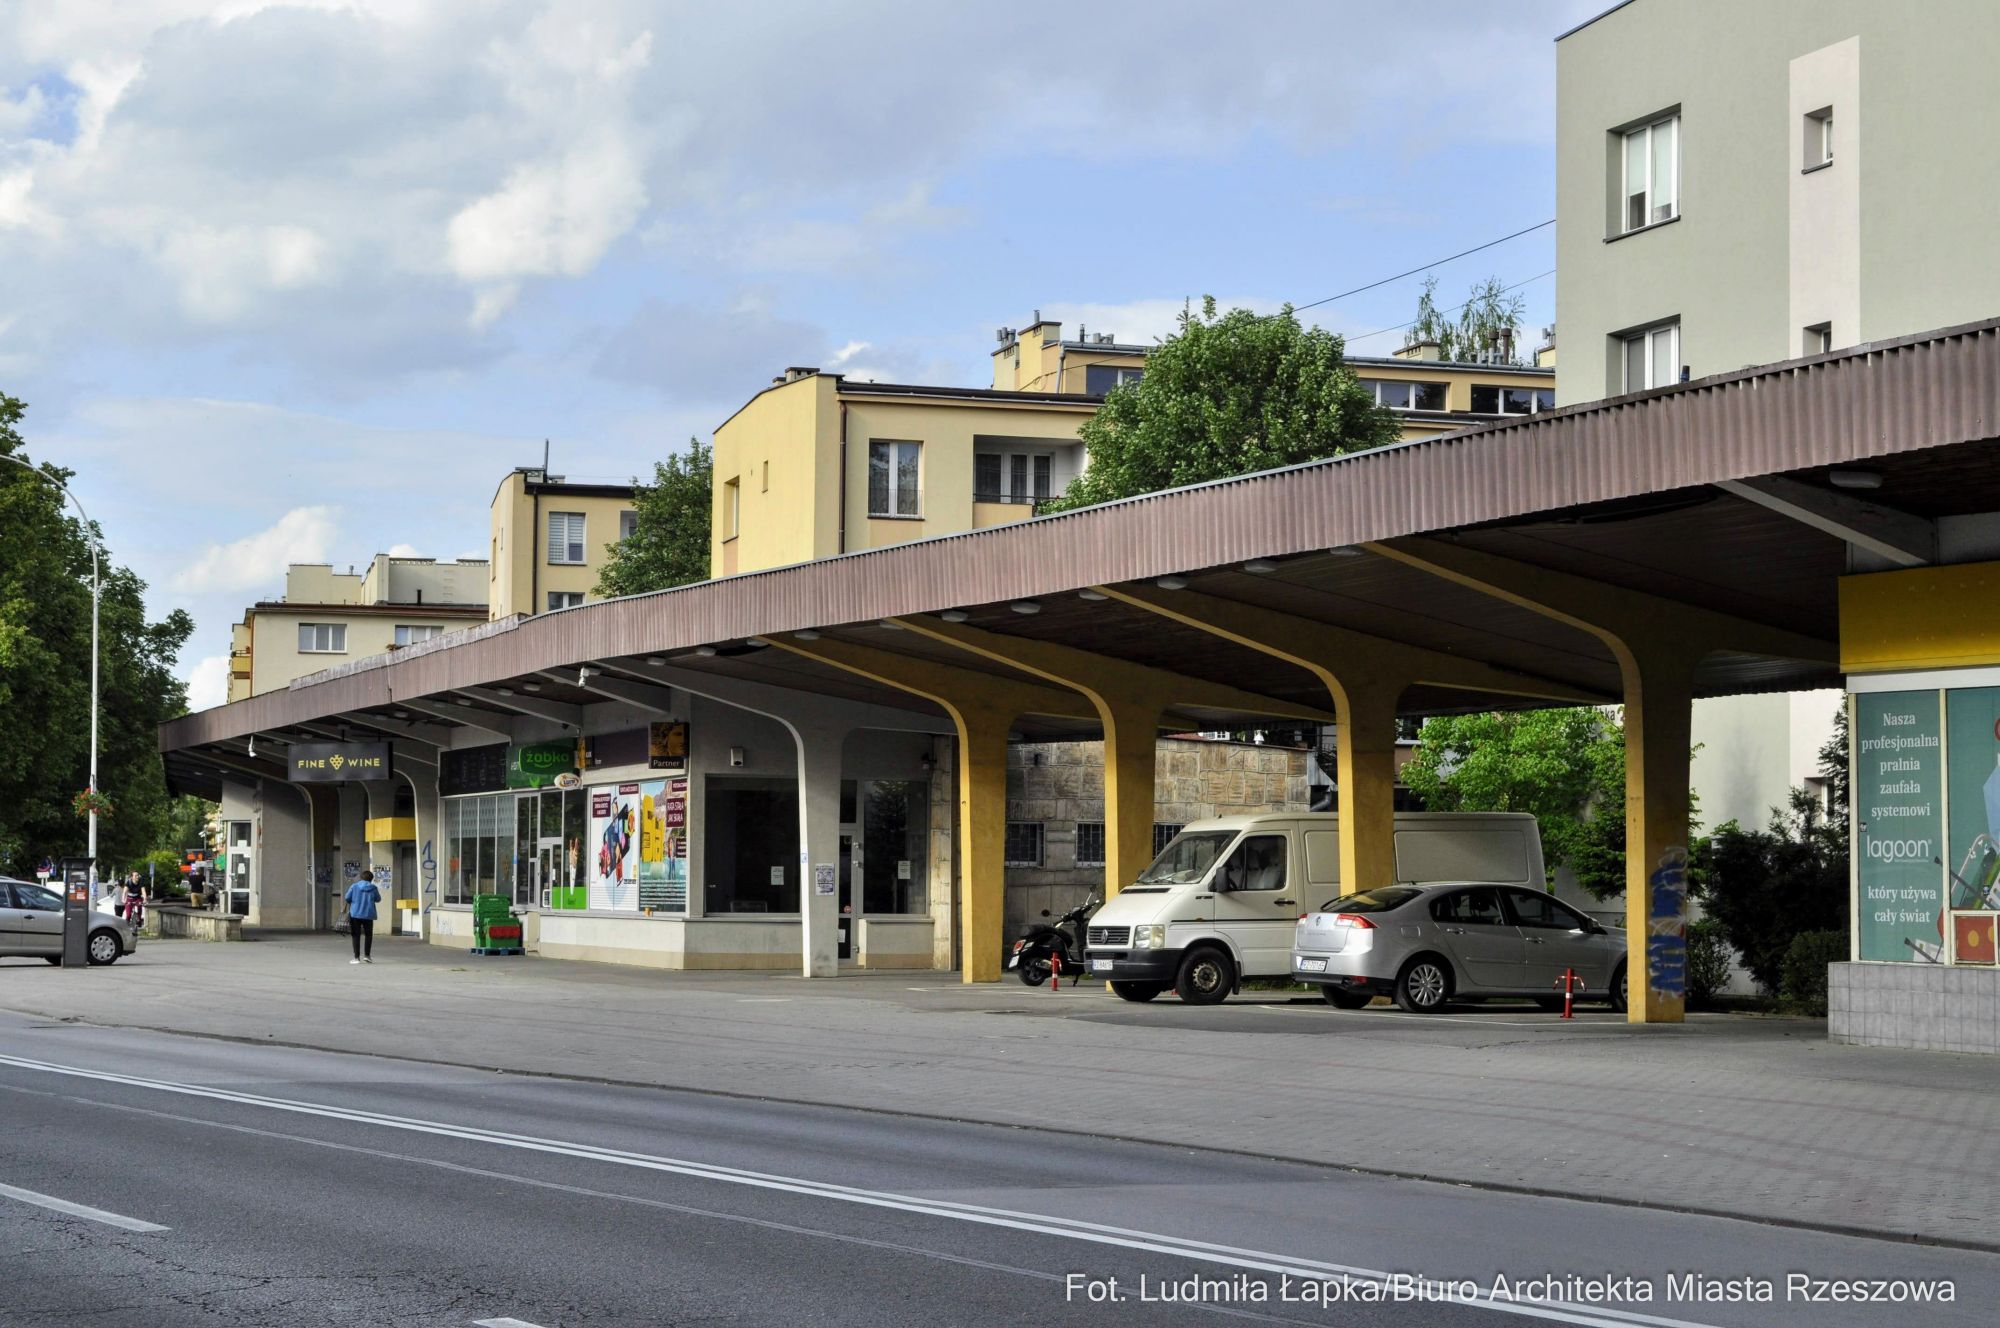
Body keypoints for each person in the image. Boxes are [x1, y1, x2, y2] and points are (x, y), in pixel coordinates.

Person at [343, 869, 382, 964]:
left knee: (356, 935)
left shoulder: (354, 886)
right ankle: (367, 956)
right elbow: (378, 899)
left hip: (355, 914)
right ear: (371, 879)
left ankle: (356, 958)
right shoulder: (373, 888)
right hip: (368, 914)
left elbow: (347, 897)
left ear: (361, 878)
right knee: (368, 935)